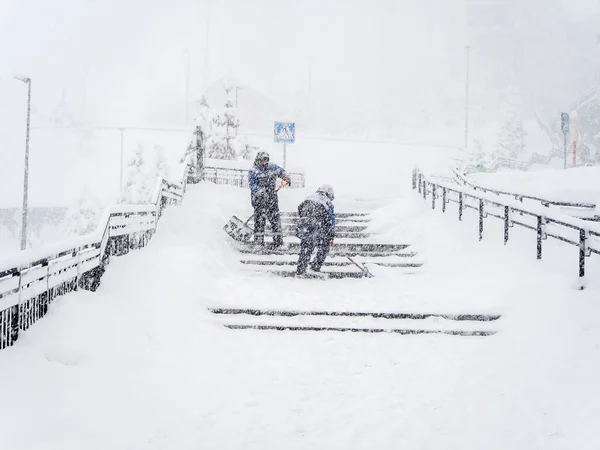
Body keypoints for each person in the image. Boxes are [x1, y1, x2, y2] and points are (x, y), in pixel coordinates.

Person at [248, 151, 290, 247]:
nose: (264, 162)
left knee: (275, 222)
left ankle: (278, 243)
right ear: (258, 160)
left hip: (272, 200)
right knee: (259, 222)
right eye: (262, 160)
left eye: (266, 160)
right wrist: (261, 193)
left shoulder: (272, 167)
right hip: (259, 201)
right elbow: (252, 185)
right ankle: (259, 243)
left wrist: (286, 176)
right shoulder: (253, 171)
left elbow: (281, 171)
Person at [295, 184, 336, 275]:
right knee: (324, 247)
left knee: (306, 247)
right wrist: (330, 236)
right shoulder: (327, 202)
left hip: (305, 226)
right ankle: (315, 266)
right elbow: (331, 219)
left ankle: (301, 268)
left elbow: (300, 209)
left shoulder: (309, 197)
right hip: (318, 226)